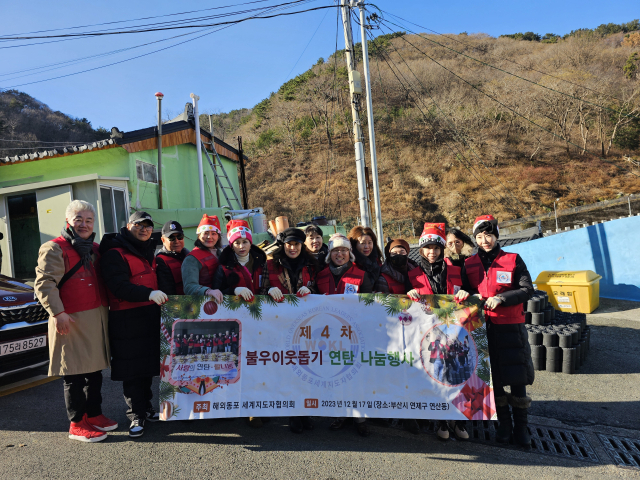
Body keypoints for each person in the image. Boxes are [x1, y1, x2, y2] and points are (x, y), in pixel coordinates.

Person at [34, 200, 115, 443]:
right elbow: (45, 283)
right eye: (78, 219)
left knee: (95, 371)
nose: (84, 224)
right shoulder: (54, 247)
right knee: (73, 373)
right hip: (70, 317)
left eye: (89, 220)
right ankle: (77, 422)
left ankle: (94, 413)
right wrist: (58, 314)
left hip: (96, 316)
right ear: (68, 221)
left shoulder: (95, 248)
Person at [457, 215, 535, 450]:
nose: (485, 240)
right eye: (479, 237)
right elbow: (466, 291)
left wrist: (501, 298)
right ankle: (504, 425)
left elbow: (526, 289)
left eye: (489, 235)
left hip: (511, 325)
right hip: (482, 327)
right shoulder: (469, 264)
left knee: (517, 376)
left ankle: (521, 428)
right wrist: (471, 296)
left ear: (496, 235)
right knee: (496, 378)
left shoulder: (513, 259)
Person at [99, 211, 166, 438]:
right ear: (128, 226)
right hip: (126, 320)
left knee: (147, 366)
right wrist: (148, 294)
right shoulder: (114, 253)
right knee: (132, 370)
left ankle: (146, 407)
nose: (144, 229)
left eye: (148, 226)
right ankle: (135, 413)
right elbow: (118, 285)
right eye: (139, 225)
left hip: (149, 316)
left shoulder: (148, 252)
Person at [406, 223, 468, 442]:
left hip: (455, 333)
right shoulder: (412, 274)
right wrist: (408, 293)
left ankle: (458, 421)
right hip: (429, 336)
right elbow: (402, 304)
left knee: (457, 376)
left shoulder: (455, 270)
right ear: (421, 250)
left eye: (436, 248)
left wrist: (467, 294)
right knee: (437, 376)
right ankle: (442, 420)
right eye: (427, 248)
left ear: (442, 249)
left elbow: (470, 294)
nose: (432, 252)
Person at [262, 227, 318, 434]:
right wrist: (268, 290)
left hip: (306, 325)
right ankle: (293, 412)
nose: (292, 248)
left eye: (296, 244)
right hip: (279, 325)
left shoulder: (311, 265)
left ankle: (304, 412)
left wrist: (310, 290)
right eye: (289, 244)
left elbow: (319, 289)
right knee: (286, 369)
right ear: (283, 245)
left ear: (301, 245)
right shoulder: (270, 264)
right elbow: (260, 289)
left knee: (305, 369)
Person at [317, 234, 372, 437]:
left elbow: (369, 305)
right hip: (328, 336)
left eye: (343, 250)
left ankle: (360, 417)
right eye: (335, 251)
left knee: (355, 376)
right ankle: (339, 413)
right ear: (329, 254)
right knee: (335, 375)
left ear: (350, 253)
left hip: (354, 334)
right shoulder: (321, 276)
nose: (340, 254)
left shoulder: (361, 275)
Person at [212, 219, 267, 306]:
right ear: (232, 247)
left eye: (245, 242)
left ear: (250, 243)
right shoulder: (223, 268)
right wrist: (233, 291)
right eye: (237, 243)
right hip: (236, 313)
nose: (241, 246)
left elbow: (267, 285)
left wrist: (271, 289)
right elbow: (216, 293)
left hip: (261, 311)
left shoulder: (262, 263)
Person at [181, 214, 223, 303]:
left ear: (218, 236)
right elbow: (189, 287)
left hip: (224, 303)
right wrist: (208, 291)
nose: (209, 237)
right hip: (203, 306)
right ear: (199, 235)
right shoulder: (192, 259)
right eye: (206, 233)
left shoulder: (221, 254)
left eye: (213, 233)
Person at [155, 220, 189, 295]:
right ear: (163, 240)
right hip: (178, 304)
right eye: (171, 238)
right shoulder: (160, 261)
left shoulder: (189, 256)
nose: (176, 241)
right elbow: (167, 291)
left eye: (179, 237)